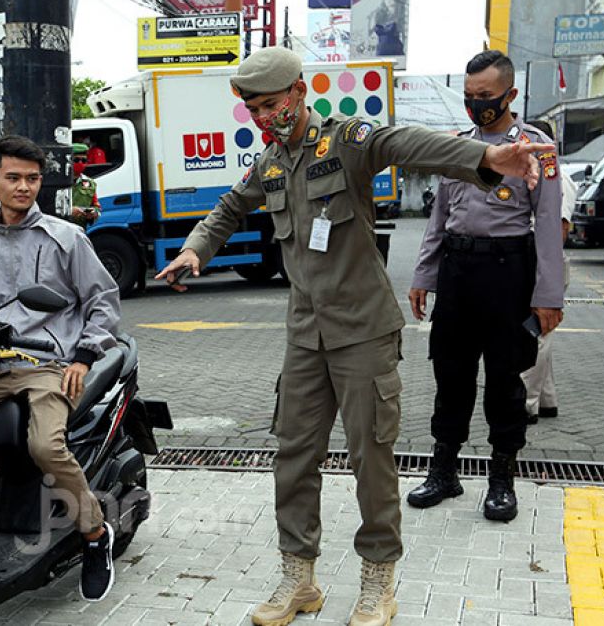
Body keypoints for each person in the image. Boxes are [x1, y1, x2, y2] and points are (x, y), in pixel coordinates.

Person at [154, 47, 551, 626]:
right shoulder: (270, 162)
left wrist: (487, 156)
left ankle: (377, 584)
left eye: (271, 105)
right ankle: (299, 580)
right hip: (304, 336)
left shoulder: (347, 140)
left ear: (297, 92)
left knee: (372, 461)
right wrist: (195, 249)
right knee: (292, 457)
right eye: (254, 110)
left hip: (363, 332)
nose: (265, 118)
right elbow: (228, 208)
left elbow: (408, 143)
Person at [407, 51, 565, 525]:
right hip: (458, 272)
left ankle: (502, 478)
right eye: (470, 97)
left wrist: (548, 296)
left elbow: (547, 226)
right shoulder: (458, 147)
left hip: (508, 273)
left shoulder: (537, 149)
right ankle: (444, 470)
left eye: (486, 97)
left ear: (510, 95)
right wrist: (423, 275)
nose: (477, 105)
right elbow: (439, 219)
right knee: (450, 376)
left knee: (504, 380)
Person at [0, 136, 121, 602]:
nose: (24, 187)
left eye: (32, 179)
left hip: (48, 364)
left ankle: (95, 536)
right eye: (13, 178)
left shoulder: (66, 237)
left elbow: (103, 301)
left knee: (46, 447)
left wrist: (83, 356)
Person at [520, 120, 575, 424]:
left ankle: (527, 402)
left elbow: (560, 230)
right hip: (535, 261)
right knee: (544, 333)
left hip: (545, 264)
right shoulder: (532, 172)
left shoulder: (558, 178)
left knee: (536, 333)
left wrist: (544, 270)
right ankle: (547, 400)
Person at [70, 143, 102, 229]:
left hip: (79, 231)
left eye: (83, 161)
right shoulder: (57, 181)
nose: (80, 163)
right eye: (76, 160)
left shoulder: (90, 183)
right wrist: (69, 211)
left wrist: (94, 213)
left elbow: (97, 207)